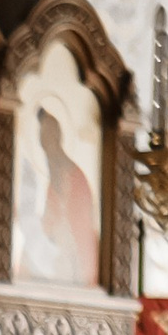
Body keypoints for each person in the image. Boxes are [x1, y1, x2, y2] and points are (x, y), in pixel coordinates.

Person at [31, 107, 98, 284]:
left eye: (48, 138)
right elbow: (49, 218)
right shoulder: (53, 181)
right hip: (57, 252)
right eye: (42, 140)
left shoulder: (76, 178)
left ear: (56, 138)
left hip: (74, 258)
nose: (46, 146)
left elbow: (80, 226)